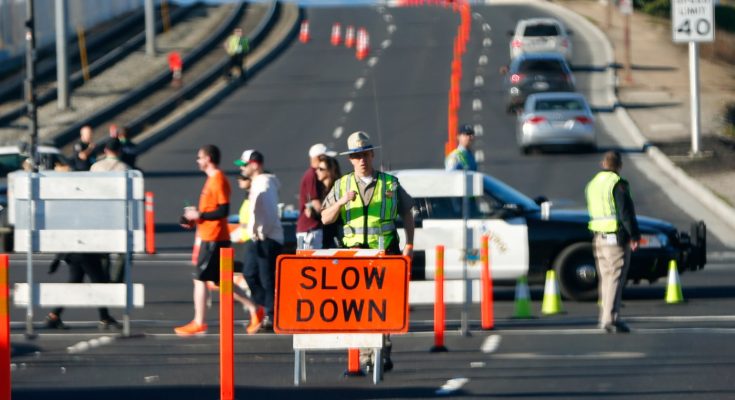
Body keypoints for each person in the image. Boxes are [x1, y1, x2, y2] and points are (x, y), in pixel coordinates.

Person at [321, 131, 415, 372]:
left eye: (364, 154)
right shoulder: (342, 185)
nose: (361, 160)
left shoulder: (389, 183)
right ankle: (365, 354)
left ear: (372, 155)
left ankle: (383, 348)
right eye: (356, 156)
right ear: (350, 159)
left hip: (385, 253)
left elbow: (407, 212)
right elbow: (325, 218)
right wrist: (341, 202)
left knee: (384, 304)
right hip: (355, 256)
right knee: (359, 306)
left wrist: (410, 244)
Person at [175, 145, 263, 336]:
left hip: (214, 238)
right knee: (221, 282)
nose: (198, 161)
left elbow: (223, 210)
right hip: (210, 236)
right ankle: (254, 309)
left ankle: (199, 321)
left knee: (200, 278)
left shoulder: (218, 180)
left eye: (200, 157)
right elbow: (210, 211)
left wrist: (200, 215)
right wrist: (194, 218)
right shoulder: (211, 180)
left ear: (208, 159)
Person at [585, 150, 641, 334]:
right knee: (615, 277)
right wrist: (634, 235)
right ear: (619, 166)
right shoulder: (617, 183)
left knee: (606, 278)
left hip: (598, 236)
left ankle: (604, 317)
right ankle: (611, 319)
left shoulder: (593, 184)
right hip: (614, 238)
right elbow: (626, 212)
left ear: (603, 164)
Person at [236, 149, 283, 332]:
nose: (242, 169)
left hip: (267, 238)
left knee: (266, 278)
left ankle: (271, 314)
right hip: (257, 237)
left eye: (244, 165)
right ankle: (269, 307)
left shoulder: (265, 183)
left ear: (255, 164)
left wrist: (262, 232)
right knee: (249, 273)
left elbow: (270, 212)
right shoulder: (256, 183)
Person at [45, 253, 122, 330]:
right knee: (99, 285)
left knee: (75, 283)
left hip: (71, 254)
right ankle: (105, 318)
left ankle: (54, 315)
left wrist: (57, 259)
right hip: (87, 253)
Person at [91, 138, 130, 283]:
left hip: (99, 213)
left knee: (103, 250)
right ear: (119, 151)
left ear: (105, 150)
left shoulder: (96, 167)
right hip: (118, 214)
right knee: (122, 250)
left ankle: (104, 280)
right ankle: (117, 281)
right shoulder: (125, 168)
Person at [296, 143, 336, 249]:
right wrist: (331, 212)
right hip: (310, 230)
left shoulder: (313, 174)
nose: (328, 160)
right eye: (325, 157)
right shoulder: (312, 175)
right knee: (310, 258)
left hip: (311, 229)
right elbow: (315, 202)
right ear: (318, 158)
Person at [314, 153, 342, 248]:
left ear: (330, 170)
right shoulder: (322, 190)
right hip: (325, 238)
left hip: (336, 239)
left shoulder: (337, 190)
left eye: (321, 169)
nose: (317, 171)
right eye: (317, 168)